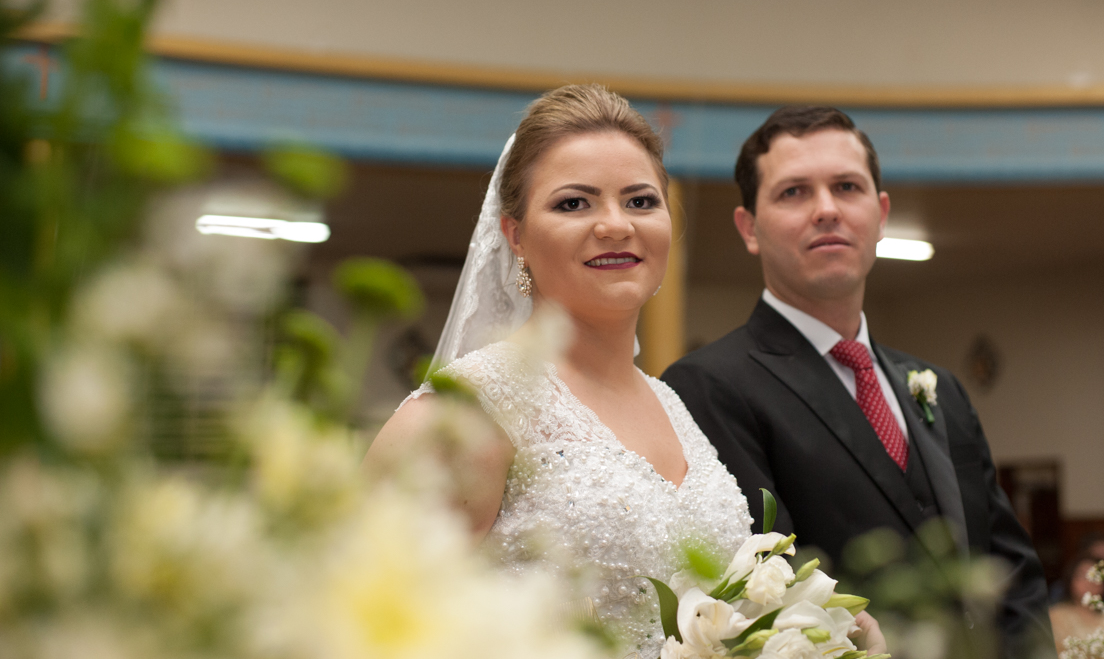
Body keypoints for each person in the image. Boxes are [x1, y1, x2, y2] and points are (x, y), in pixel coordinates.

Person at [365, 87, 886, 659]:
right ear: (515, 236)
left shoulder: (675, 407)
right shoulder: (466, 412)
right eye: (574, 204)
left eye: (640, 201)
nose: (615, 225)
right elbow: (364, 628)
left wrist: (811, 629)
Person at [661, 106, 1053, 657]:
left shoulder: (938, 386)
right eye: (794, 192)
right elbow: (767, 587)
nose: (826, 209)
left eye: (847, 186)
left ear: (881, 212)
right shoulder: (707, 385)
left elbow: (1009, 570)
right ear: (749, 227)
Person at [1049, 553, 1104, 655]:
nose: (1089, 582)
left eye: (1095, 576)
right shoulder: (1055, 615)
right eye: (1082, 576)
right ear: (1071, 580)